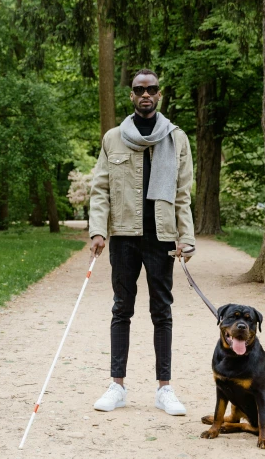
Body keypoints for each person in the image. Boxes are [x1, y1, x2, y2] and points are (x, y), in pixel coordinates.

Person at [88, 68, 195, 416]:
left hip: (161, 236)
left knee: (161, 311)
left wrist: (187, 238)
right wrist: (98, 230)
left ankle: (164, 389)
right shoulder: (113, 138)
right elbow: (100, 189)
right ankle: (116, 386)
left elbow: (183, 194)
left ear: (159, 95)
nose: (145, 94)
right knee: (122, 308)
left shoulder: (176, 139)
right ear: (131, 96)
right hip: (123, 237)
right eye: (139, 89)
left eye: (151, 89)